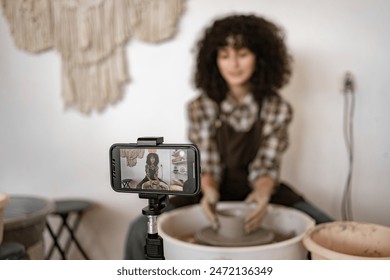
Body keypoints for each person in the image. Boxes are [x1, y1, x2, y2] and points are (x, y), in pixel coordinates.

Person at [124, 14, 333, 259]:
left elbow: (266, 165)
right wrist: (210, 190)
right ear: (214, 61)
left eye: (242, 54)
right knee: (140, 231)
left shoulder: (276, 107)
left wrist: (263, 193)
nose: (233, 64)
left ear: (260, 57)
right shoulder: (200, 106)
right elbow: (207, 165)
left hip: (258, 188)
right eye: (224, 55)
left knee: (327, 230)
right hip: (209, 186)